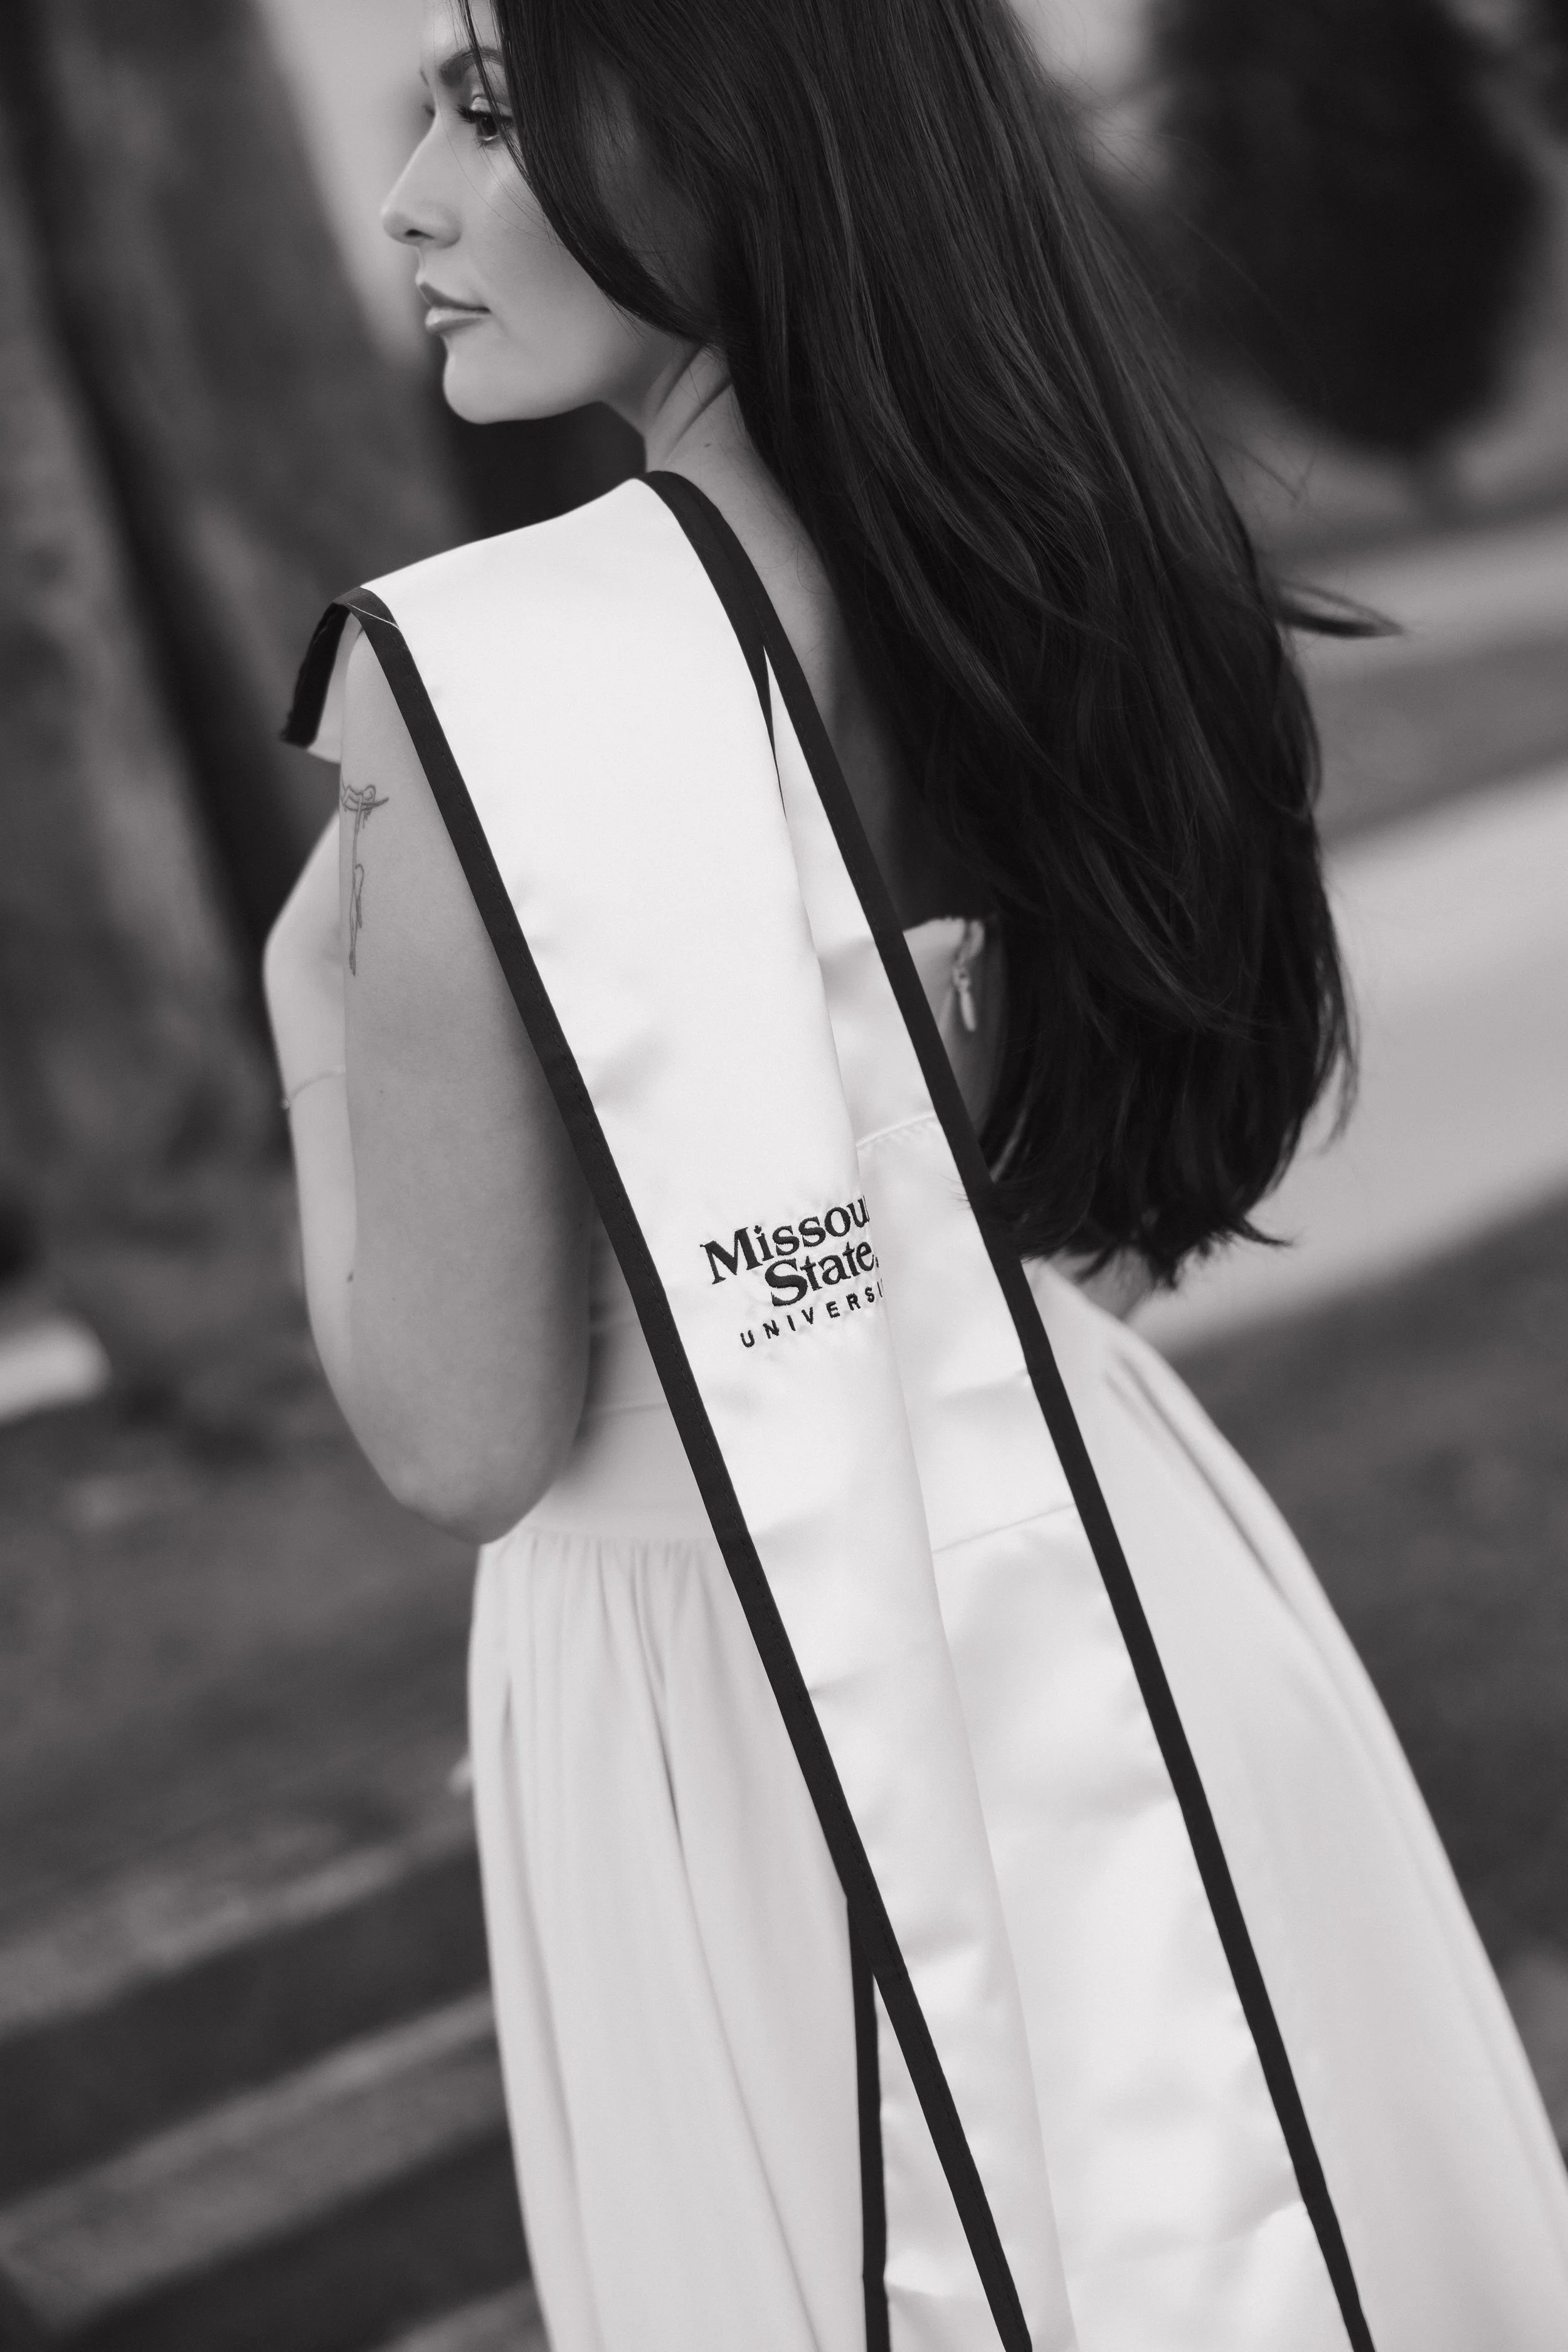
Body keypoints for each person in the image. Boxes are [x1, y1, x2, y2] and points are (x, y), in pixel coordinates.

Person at [264, 3, 1568, 2346]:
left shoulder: (483, 677)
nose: (410, 206)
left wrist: (313, 1045)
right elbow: (1075, 1183)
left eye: (489, 105)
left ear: (728, 128)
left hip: (738, 1695)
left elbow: (462, 1423)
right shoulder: (1069, 562)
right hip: (1114, 1567)